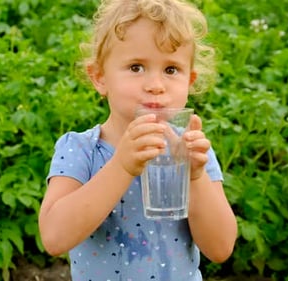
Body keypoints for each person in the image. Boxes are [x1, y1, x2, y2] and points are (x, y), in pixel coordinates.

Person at [38, 0, 238, 280]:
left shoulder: (189, 149)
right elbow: (54, 237)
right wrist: (122, 165)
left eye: (171, 70)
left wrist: (195, 177)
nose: (155, 85)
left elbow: (220, 248)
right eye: (136, 67)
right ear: (100, 78)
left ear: (189, 82)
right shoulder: (81, 150)